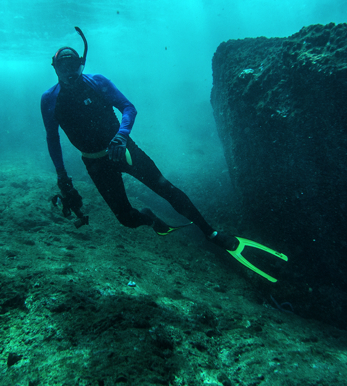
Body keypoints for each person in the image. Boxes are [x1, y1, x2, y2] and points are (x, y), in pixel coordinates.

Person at [40, 27, 239, 254]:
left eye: (73, 66)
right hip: (95, 162)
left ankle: (211, 233)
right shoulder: (49, 100)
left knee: (165, 188)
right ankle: (149, 219)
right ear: (55, 68)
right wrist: (61, 175)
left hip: (124, 150)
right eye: (63, 67)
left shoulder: (97, 82)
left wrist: (121, 135)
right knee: (126, 219)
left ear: (81, 64)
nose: (69, 72)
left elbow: (128, 107)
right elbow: (52, 138)